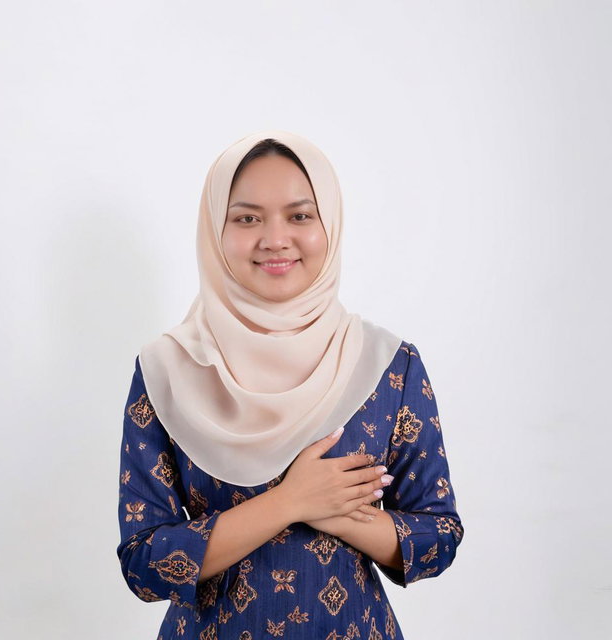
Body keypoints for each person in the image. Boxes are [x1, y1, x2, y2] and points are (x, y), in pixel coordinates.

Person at [116, 129, 464, 640]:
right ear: (214, 230)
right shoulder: (168, 368)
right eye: (247, 218)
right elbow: (144, 564)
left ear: (330, 225)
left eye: (300, 216)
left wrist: (336, 514)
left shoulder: (388, 363)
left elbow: (438, 537)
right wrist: (289, 501)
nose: (275, 239)